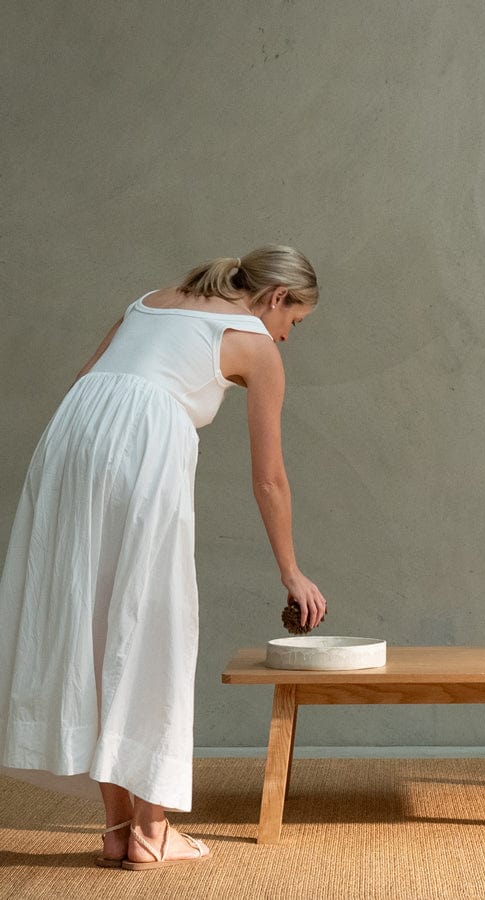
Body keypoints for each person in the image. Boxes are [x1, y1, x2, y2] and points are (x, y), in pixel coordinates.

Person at [0, 245, 328, 870]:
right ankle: (152, 833)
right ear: (277, 297)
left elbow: (86, 384)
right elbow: (270, 479)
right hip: (140, 448)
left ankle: (119, 828)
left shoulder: (148, 303)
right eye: (295, 321)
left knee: (93, 621)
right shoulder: (254, 344)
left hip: (70, 443)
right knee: (152, 625)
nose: (288, 335)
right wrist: (291, 570)